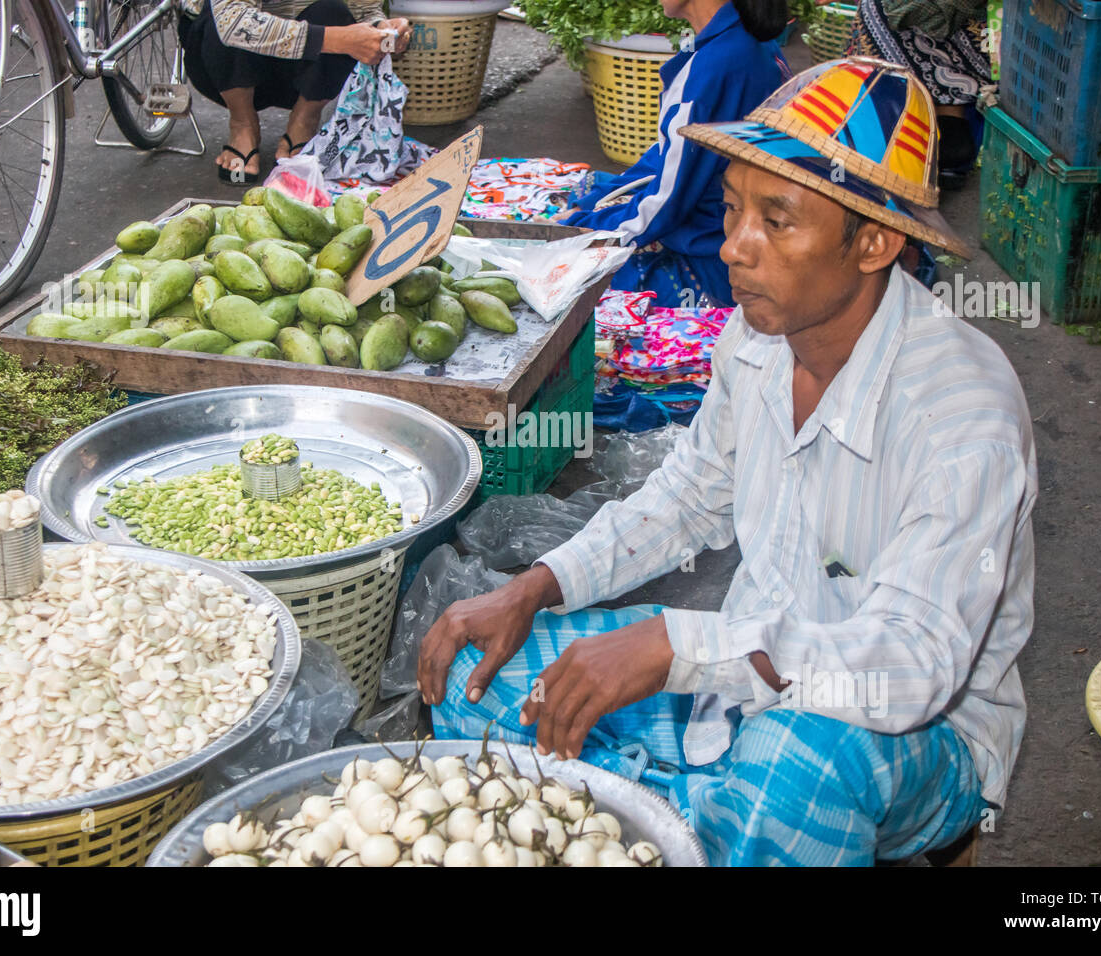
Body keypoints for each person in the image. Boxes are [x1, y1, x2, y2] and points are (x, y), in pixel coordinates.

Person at [418, 59, 1036, 867]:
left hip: (915, 729)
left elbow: (909, 670)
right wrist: (536, 587)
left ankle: (726, 814)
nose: (735, 248)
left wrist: (677, 647)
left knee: (792, 763)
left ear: (875, 242)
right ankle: (693, 821)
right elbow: (684, 498)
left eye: (776, 221)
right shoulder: (757, 338)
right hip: (746, 676)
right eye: (733, 208)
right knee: (479, 668)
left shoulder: (962, 418)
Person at [557, 0, 792, 308]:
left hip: (718, 265)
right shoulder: (747, 44)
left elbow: (667, 202)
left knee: (570, 277)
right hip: (746, 239)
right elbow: (668, 159)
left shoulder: (712, 67)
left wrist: (586, 233)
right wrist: (590, 212)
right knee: (590, 190)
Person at [177, 0, 412, 183]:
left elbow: (364, 11)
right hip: (222, 66)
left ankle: (304, 121)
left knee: (334, 11)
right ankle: (242, 124)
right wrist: (338, 39)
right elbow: (233, 22)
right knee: (223, 20)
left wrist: (382, 31)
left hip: (301, 70)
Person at [843, 0, 992, 177]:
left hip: (998, 42)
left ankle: (890, 138)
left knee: (876, 9)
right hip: (1000, 34)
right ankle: (949, 129)